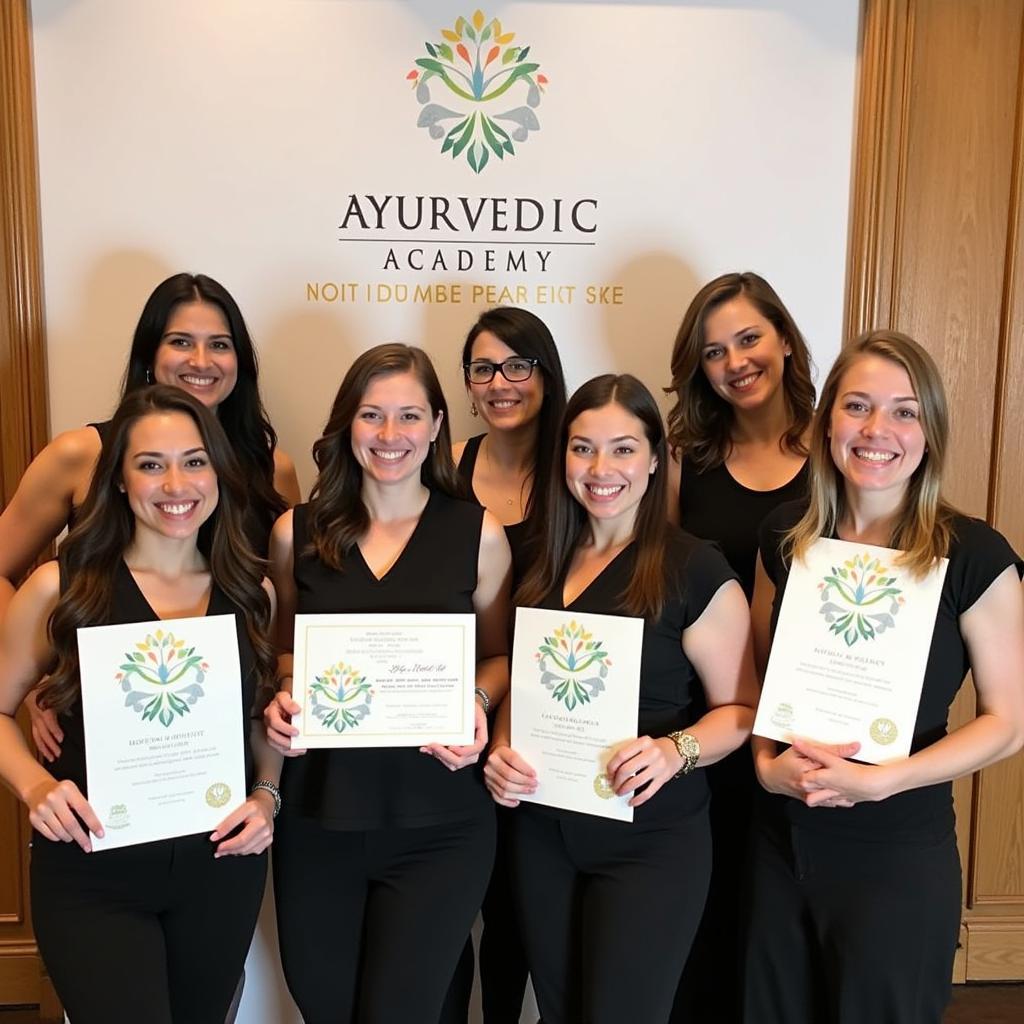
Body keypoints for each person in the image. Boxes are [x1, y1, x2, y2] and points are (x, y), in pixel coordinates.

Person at [744, 331, 1024, 1024]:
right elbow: (755, 682)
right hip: (779, 842)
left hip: (896, 849)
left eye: (904, 411)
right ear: (826, 422)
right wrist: (762, 765)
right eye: (858, 406)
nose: (877, 430)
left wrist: (881, 780)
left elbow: (1009, 721)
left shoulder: (974, 554)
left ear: (930, 429)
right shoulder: (784, 537)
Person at [0, 385, 281, 1024]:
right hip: (93, 873)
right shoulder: (59, 588)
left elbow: (262, 724)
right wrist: (36, 786)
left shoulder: (251, 590)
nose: (175, 483)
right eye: (150, 464)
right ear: (119, 481)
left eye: (194, 460)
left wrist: (268, 796)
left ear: (218, 473)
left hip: (219, 869)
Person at [484, 374, 758, 1024]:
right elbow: (521, 688)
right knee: (557, 1011)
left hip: (651, 841)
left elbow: (742, 711)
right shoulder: (539, 562)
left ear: (657, 459)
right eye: (582, 448)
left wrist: (674, 750)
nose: (600, 469)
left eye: (623, 449)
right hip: (544, 833)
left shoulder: (695, 569)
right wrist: (499, 749)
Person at [264, 343, 512, 1024]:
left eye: (408, 415)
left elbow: (499, 657)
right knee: (325, 1005)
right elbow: (283, 651)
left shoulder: (478, 534)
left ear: (437, 425)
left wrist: (478, 700)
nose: (390, 434)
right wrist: (283, 693)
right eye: (372, 415)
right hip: (319, 818)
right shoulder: (298, 532)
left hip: (440, 824)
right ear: (348, 425)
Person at [0, 272, 300, 761]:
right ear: (150, 354)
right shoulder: (82, 452)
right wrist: (33, 675)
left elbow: (278, 612)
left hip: (222, 746)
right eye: (181, 342)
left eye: (219, 345)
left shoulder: (274, 468)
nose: (201, 362)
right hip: (110, 743)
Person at [664, 271, 816, 1023]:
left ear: (785, 339)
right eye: (715, 351)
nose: (736, 361)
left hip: (811, 725)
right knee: (710, 920)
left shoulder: (850, 446)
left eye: (749, 338)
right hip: (714, 726)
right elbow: (652, 577)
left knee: (786, 932)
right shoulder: (683, 460)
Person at [442, 306, 568, 1023]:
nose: (500, 383)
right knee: (460, 908)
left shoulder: (584, 472)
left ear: (545, 374)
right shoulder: (444, 467)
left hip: (552, 726)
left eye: (518, 365)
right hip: (461, 720)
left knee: (528, 919)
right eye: (483, 368)